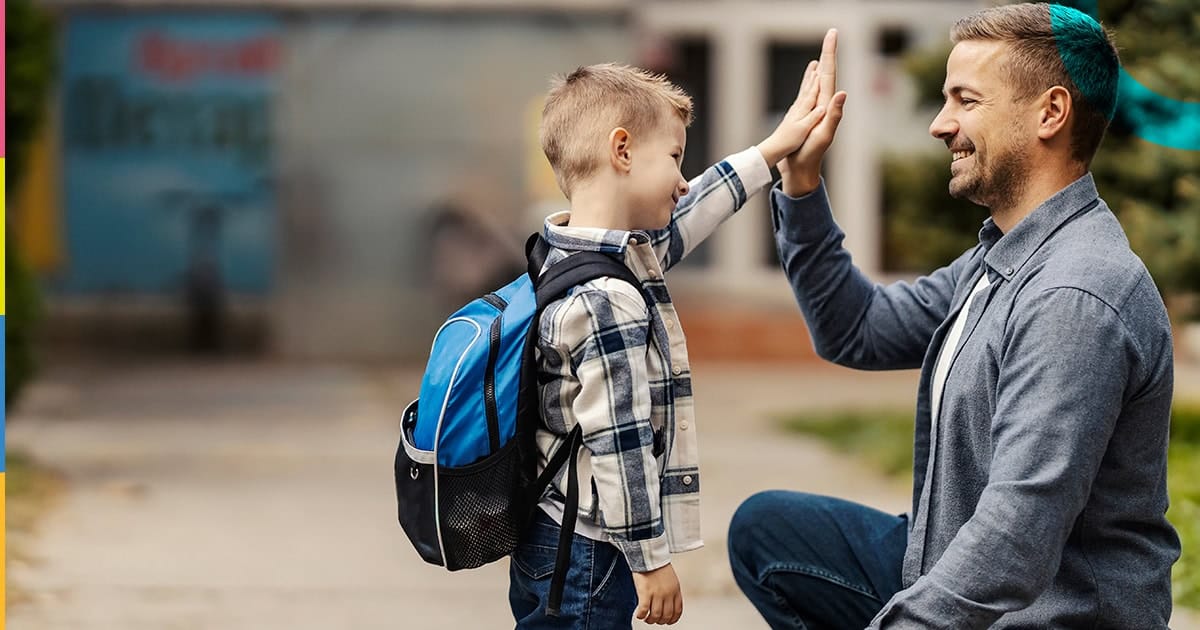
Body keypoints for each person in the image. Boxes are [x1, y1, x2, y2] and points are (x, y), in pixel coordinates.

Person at [728, 4, 1179, 628]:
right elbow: (855, 329)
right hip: (955, 569)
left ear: (1050, 113)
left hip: (1047, 612)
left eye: (966, 100)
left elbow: (1015, 542)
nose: (941, 124)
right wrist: (800, 187)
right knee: (769, 532)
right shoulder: (1003, 256)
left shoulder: (1075, 296)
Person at [510, 49, 836, 629]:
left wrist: (772, 149)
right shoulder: (609, 298)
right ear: (622, 151)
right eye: (676, 157)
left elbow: (695, 213)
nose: (684, 181)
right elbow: (621, 440)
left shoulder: (570, 257)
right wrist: (649, 559)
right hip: (592, 550)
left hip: (548, 535)